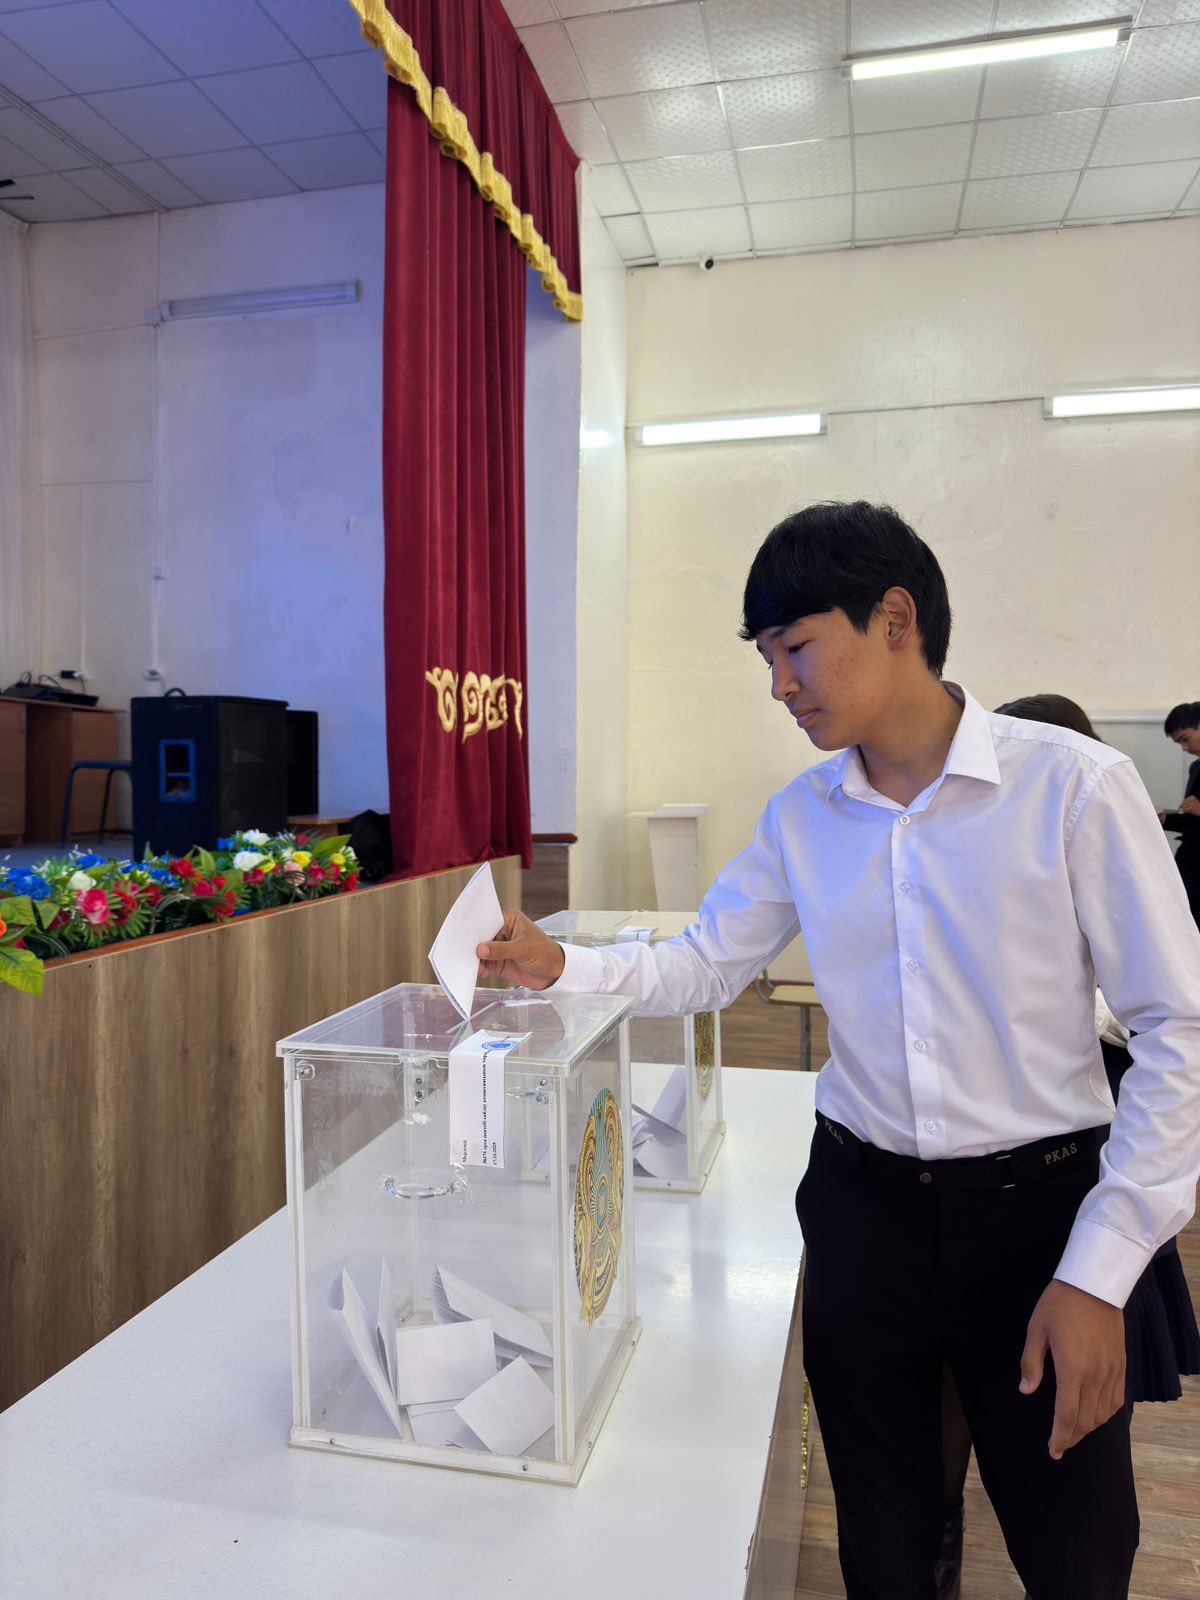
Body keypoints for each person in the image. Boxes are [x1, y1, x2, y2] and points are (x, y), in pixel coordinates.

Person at [477, 501, 1200, 1600]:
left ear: (895, 619)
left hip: (1039, 1216)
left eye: (797, 647)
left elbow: (1178, 1028)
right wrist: (561, 964)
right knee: (883, 1533)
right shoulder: (802, 815)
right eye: (767, 658)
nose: (780, 684)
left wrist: (1102, 1271)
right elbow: (706, 963)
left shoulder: (1072, 788)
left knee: (1073, 1546)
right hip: (866, 1214)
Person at [924, 693, 1200, 1600]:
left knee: (1073, 1413)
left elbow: (1163, 1022)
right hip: (994, 1183)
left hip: (1088, 1170)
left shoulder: (1092, 814)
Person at [1161, 702, 1200, 932]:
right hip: (1191, 865)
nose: (1184, 748)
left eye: (1185, 739)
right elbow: (1192, 821)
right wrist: (1163, 818)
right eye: (1179, 743)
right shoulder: (1196, 768)